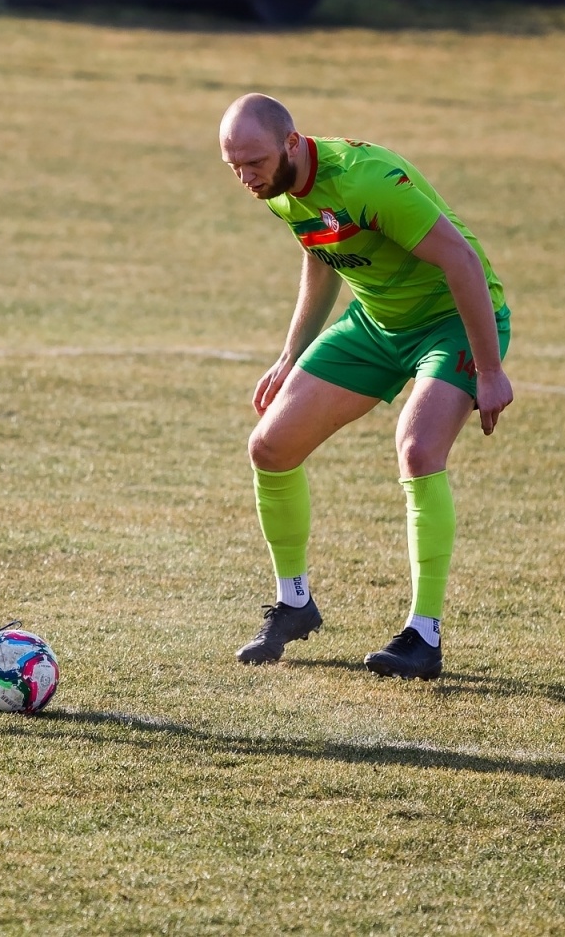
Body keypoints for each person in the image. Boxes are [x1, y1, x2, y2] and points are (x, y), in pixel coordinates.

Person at [219, 93, 513, 680]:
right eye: (234, 167)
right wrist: (290, 355)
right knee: (270, 448)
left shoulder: (368, 181)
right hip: (377, 324)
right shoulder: (280, 189)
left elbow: (461, 262)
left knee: (418, 448)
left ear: (292, 143)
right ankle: (294, 602)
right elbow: (322, 254)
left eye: (254, 163)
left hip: (450, 319)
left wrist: (488, 369)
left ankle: (423, 637)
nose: (246, 179)